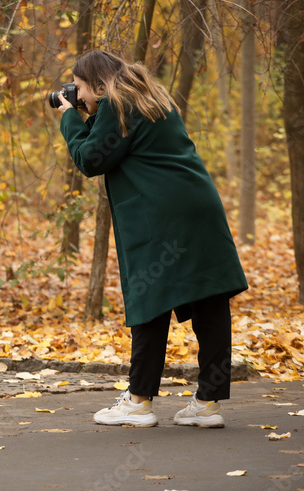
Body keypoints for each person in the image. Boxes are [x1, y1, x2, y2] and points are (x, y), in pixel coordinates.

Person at [55, 50, 248, 428]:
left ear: (96, 83)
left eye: (78, 88)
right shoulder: (153, 99)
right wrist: (87, 114)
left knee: (150, 300)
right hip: (199, 205)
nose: (78, 96)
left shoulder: (116, 105)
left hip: (161, 216)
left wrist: (68, 118)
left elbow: (92, 159)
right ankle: (208, 404)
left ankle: (138, 401)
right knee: (209, 299)